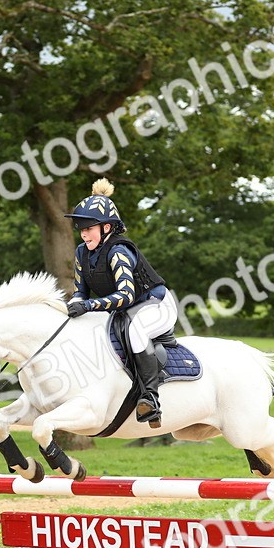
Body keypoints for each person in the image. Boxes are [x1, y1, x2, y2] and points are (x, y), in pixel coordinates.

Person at [64, 178, 177, 426]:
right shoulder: (82, 253)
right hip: (126, 309)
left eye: (89, 228)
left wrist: (89, 306)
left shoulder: (118, 252)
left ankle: (150, 398)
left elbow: (126, 295)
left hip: (155, 305)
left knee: (137, 332)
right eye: (80, 228)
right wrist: (75, 305)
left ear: (106, 228)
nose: (83, 233)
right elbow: (80, 291)